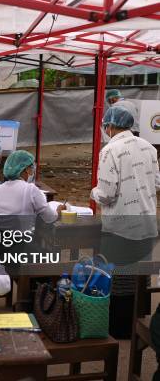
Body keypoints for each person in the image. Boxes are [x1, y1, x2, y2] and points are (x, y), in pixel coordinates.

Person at [91, 106, 159, 339]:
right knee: (139, 276)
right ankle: (138, 323)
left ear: (109, 126)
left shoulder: (110, 150)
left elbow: (107, 193)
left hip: (120, 226)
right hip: (147, 222)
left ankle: (119, 329)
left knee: (119, 277)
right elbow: (157, 183)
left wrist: (93, 193)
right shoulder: (149, 147)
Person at [0, 150, 66, 227]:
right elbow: (49, 218)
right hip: (23, 236)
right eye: (31, 168)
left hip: (1, 235)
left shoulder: (0, 188)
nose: (32, 171)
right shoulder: (30, 189)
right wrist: (59, 211)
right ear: (26, 169)